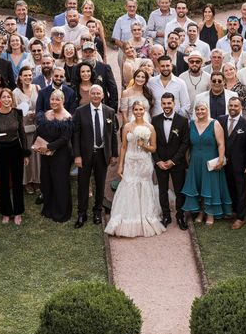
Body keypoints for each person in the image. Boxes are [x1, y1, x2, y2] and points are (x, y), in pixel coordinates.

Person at [105, 100, 164, 237]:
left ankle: (145, 217)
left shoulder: (150, 127)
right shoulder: (127, 127)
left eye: (141, 109)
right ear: (133, 111)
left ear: (145, 111)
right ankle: (127, 219)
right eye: (136, 110)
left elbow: (154, 148)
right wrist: (121, 165)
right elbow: (124, 146)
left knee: (144, 187)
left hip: (144, 162)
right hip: (130, 161)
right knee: (128, 186)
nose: (138, 112)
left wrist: (144, 145)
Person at [73, 85, 118, 228]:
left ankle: (97, 211)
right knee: (83, 184)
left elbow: (113, 135)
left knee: (100, 184)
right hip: (85, 154)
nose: (96, 96)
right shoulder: (80, 112)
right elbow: (76, 135)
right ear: (89, 95)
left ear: (103, 95)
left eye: (98, 93)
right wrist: (77, 155)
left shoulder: (109, 112)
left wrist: (114, 154)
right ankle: (82, 213)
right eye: (93, 93)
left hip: (102, 153)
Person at [181, 101, 231, 225]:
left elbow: (221, 144)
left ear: (207, 110)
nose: (200, 112)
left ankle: (210, 214)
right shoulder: (191, 124)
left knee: (210, 187)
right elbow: (188, 144)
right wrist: (187, 158)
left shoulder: (215, 123)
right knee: (199, 187)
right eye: (197, 109)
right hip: (196, 161)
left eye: (202, 109)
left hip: (210, 161)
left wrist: (220, 159)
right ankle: (201, 212)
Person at [0, 88, 30, 225]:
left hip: (16, 149)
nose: (6, 99)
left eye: (9, 97)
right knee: (4, 183)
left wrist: (25, 153)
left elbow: (22, 134)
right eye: (4, 97)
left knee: (17, 182)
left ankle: (18, 212)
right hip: (1, 150)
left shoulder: (17, 113)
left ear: (12, 99)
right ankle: (6, 212)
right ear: (0, 100)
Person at [152, 93, 190, 230]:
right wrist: (158, 161)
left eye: (169, 103)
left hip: (177, 163)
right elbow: (152, 143)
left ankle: (180, 216)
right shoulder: (155, 120)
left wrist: (173, 160)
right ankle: (166, 216)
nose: (167, 106)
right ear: (161, 104)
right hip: (160, 163)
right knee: (163, 190)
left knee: (179, 191)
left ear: (174, 104)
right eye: (164, 103)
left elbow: (185, 143)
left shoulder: (183, 121)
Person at [36, 89, 74, 223]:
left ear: (63, 101)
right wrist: (37, 144)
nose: (54, 102)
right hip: (45, 154)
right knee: (46, 180)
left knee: (60, 183)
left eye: (57, 99)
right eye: (52, 99)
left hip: (61, 155)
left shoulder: (67, 117)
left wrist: (48, 146)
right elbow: (39, 131)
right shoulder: (46, 114)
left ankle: (61, 212)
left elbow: (65, 139)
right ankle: (48, 209)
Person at [219, 97, 246, 230]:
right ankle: (233, 211)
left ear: (241, 107)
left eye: (236, 106)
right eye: (231, 105)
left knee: (240, 190)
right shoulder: (221, 120)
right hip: (224, 163)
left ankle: (240, 217)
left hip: (240, 164)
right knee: (229, 188)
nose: (233, 108)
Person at [14, 66, 41, 195]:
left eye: (30, 75)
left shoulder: (37, 88)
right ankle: (27, 182)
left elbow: (41, 106)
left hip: (36, 127)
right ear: (20, 77)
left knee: (36, 155)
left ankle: (37, 180)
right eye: (25, 75)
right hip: (23, 128)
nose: (28, 77)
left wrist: (36, 113)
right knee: (26, 154)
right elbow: (13, 111)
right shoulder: (15, 92)